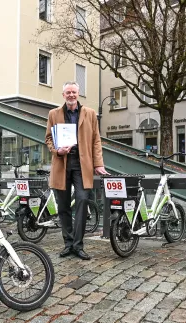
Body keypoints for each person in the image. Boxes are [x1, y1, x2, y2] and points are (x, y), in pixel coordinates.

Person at [45, 81, 109, 260]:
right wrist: (57, 150)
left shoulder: (89, 114)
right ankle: (68, 243)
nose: (71, 95)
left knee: (82, 201)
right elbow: (49, 138)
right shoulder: (54, 114)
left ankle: (78, 245)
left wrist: (99, 163)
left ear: (78, 94)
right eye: (68, 92)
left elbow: (96, 140)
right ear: (63, 95)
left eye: (74, 92)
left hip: (83, 165)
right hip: (62, 163)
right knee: (63, 206)